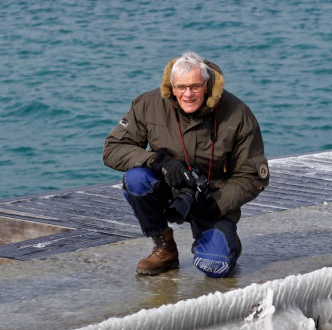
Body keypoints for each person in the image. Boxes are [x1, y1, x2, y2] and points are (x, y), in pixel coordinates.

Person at [103, 51, 269, 278]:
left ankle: (227, 242)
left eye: (195, 87)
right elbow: (113, 149)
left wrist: (215, 204)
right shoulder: (148, 104)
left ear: (207, 85)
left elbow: (252, 176)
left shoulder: (237, 114)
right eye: (181, 87)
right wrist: (157, 160)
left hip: (212, 197)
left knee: (214, 266)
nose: (187, 94)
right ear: (171, 87)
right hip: (168, 190)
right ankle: (164, 247)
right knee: (136, 179)